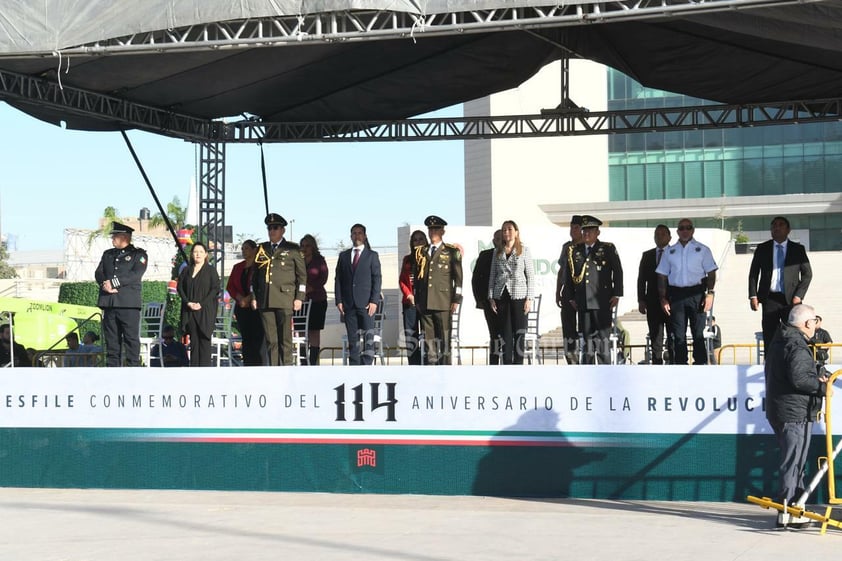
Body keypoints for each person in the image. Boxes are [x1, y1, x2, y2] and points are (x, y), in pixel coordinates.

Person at [765, 303, 828, 529]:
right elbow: (801, 379)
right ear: (806, 323)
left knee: (795, 462)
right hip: (794, 412)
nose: (816, 325)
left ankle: (795, 506)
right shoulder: (797, 345)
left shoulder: (781, 340)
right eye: (814, 321)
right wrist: (823, 387)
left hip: (782, 409)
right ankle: (786, 511)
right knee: (793, 463)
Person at [656, 218, 718, 365]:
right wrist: (663, 298)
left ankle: (700, 364)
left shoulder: (703, 249)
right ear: (677, 231)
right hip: (676, 295)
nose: (685, 231)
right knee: (678, 335)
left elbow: (711, 273)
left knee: (698, 333)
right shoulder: (670, 252)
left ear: (693, 230)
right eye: (682, 228)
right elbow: (662, 275)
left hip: (696, 294)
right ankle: (681, 366)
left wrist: (710, 294)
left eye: (688, 228)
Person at [748, 216, 812, 355]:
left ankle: (792, 362)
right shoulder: (763, 248)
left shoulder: (798, 249)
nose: (777, 228)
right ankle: (770, 366)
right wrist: (753, 295)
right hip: (769, 298)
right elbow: (753, 273)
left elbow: (807, 275)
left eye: (781, 225)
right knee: (770, 334)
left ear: (788, 230)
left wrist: (798, 296)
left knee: (793, 334)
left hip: (790, 300)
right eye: (774, 225)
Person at [564, 215, 623, 365]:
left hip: (602, 302)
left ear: (598, 232)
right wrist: (571, 297)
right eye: (584, 230)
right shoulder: (574, 251)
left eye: (590, 230)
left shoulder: (607, 248)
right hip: (583, 302)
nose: (586, 233)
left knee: (603, 343)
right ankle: (588, 375)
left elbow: (617, 271)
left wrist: (617, 293)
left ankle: (606, 375)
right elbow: (569, 275)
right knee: (587, 343)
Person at [253, 213, 306, 366]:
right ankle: (274, 370)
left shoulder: (292, 249)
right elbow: (255, 276)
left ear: (282, 230)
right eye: (269, 228)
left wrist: (299, 297)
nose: (272, 231)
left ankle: (286, 368)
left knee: (285, 338)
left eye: (275, 228)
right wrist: (254, 296)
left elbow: (302, 276)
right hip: (265, 298)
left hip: (284, 298)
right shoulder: (262, 248)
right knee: (271, 339)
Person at [94, 221, 148, 367]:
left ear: (124, 237)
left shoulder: (138, 254)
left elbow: (135, 275)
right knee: (112, 340)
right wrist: (104, 284)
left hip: (128, 304)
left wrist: (114, 283)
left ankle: (133, 369)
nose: (112, 239)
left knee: (130, 339)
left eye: (115, 236)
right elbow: (99, 272)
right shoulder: (108, 254)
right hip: (110, 303)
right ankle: (112, 370)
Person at [414, 215, 463, 366]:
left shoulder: (451, 251)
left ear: (443, 231)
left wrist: (456, 299)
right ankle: (431, 372)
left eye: (436, 229)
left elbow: (458, 278)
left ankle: (445, 370)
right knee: (430, 342)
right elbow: (418, 278)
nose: (432, 232)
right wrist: (417, 299)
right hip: (425, 302)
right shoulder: (422, 251)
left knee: (444, 340)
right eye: (430, 229)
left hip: (443, 301)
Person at [335, 224, 382, 365]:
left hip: (367, 303)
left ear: (365, 236)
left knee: (368, 336)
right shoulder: (344, 256)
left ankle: (367, 364)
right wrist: (339, 300)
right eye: (354, 233)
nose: (357, 236)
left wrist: (374, 301)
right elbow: (338, 279)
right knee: (353, 338)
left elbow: (377, 278)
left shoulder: (372, 256)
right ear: (351, 236)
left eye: (360, 233)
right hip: (349, 303)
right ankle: (354, 365)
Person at [488, 221, 534, 365]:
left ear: (516, 232)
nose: (506, 232)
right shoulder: (497, 252)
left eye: (509, 229)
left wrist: (529, 298)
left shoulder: (524, 250)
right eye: (504, 230)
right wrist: (491, 297)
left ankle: (519, 363)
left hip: (519, 295)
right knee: (505, 332)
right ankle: (507, 363)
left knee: (519, 332)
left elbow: (531, 276)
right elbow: (492, 275)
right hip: (501, 295)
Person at [178, 241, 220, 367]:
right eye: (195, 252)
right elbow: (180, 288)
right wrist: (188, 302)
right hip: (190, 310)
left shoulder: (211, 270)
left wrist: (201, 304)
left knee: (204, 341)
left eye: (201, 252)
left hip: (205, 310)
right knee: (194, 341)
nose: (198, 254)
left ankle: (205, 372)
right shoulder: (186, 270)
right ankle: (194, 370)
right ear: (191, 254)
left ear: (206, 254)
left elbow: (215, 289)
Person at [637, 224, 672, 365]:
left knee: (673, 335)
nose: (660, 236)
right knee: (655, 336)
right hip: (652, 302)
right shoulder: (648, 255)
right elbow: (641, 279)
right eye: (657, 234)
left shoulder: (675, 253)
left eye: (663, 234)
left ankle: (673, 361)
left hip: (672, 302)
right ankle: (657, 363)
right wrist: (641, 299)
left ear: (670, 237)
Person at [226, 239, 265, 366]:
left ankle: (258, 365)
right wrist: (240, 299)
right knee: (246, 338)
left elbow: (261, 286)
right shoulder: (237, 267)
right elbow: (230, 286)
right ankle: (247, 364)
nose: (244, 251)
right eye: (242, 248)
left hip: (256, 307)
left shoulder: (260, 266)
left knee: (257, 338)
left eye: (247, 248)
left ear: (254, 250)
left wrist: (248, 298)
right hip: (241, 307)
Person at [556, 215, 583, 365]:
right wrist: (558, 291)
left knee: (585, 327)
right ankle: (572, 361)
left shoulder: (586, 246)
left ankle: (587, 360)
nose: (573, 230)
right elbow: (561, 271)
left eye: (576, 228)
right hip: (567, 291)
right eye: (571, 227)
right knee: (568, 327)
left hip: (583, 291)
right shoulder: (567, 247)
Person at [472, 229, 501, 365]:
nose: (501, 241)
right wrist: (481, 301)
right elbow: (476, 279)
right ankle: (494, 363)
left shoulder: (514, 255)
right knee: (494, 335)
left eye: (503, 238)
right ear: (494, 241)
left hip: (508, 302)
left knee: (508, 335)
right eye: (498, 239)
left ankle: (510, 363)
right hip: (489, 303)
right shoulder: (485, 255)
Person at [400, 230, 429, 365]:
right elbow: (402, 281)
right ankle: (414, 365)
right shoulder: (407, 259)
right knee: (411, 336)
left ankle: (428, 364)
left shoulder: (430, 258)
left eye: (421, 239)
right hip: (409, 303)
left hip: (426, 303)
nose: (418, 242)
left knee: (428, 336)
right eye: (415, 240)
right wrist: (409, 295)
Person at [300, 234, 329, 366]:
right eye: (303, 246)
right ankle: (303, 361)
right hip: (301, 302)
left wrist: (310, 289)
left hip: (317, 300)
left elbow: (323, 278)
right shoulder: (298, 261)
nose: (305, 248)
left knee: (313, 331)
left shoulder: (319, 260)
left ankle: (313, 362)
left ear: (313, 247)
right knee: (300, 332)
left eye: (307, 246)